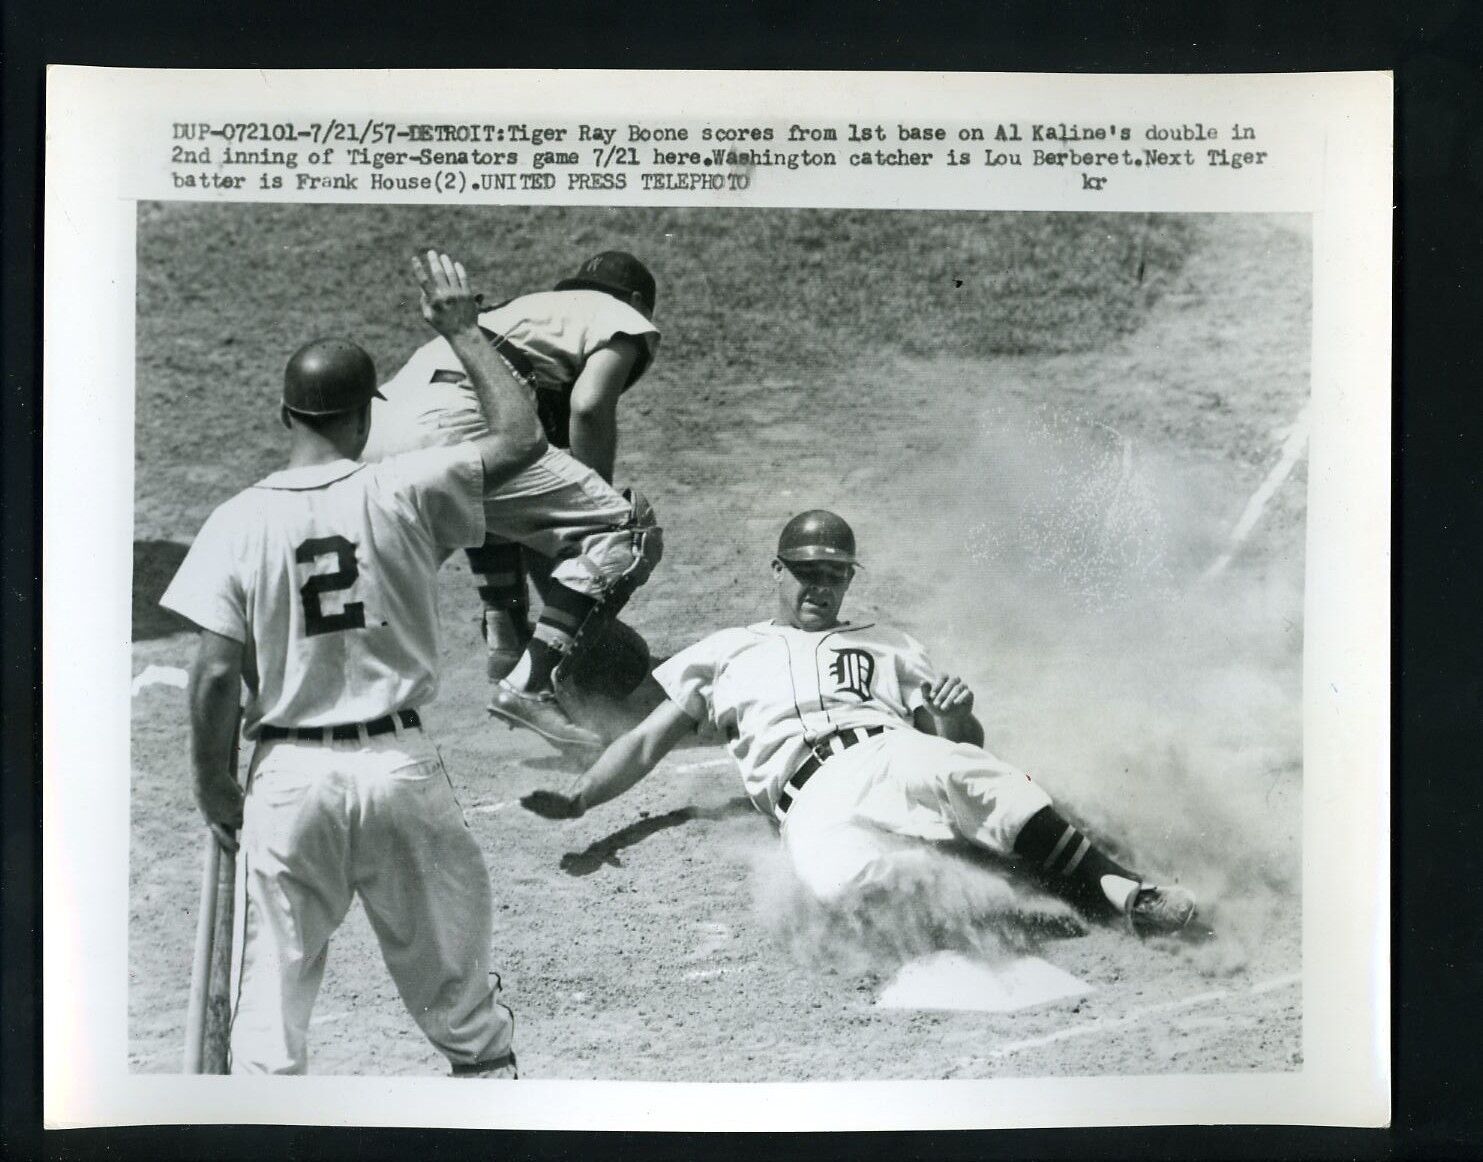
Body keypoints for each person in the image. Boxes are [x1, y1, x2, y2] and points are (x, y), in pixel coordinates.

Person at [160, 251, 545, 1076]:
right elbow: (522, 436)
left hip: (288, 780)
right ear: (365, 419)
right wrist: (462, 333)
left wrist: (213, 785)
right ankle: (494, 1109)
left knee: (270, 1007)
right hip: (398, 772)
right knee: (457, 995)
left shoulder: (235, 519)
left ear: (284, 414)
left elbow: (215, 675)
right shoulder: (404, 488)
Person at [521, 510, 1197, 938]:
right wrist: (581, 799)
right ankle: (1023, 901)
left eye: (834, 575)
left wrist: (958, 718)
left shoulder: (890, 642)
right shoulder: (725, 650)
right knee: (847, 891)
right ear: (777, 570)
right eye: (806, 572)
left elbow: (951, 750)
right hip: (807, 798)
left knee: (980, 780)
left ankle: (1123, 893)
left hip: (890, 750)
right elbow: (642, 741)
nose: (820, 586)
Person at [362, 250, 662, 743]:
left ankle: (507, 636)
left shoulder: (526, 311)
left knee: (496, 499)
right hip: (454, 418)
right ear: (635, 300)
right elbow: (588, 408)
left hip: (382, 424)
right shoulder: (623, 317)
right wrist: (594, 504)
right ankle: (530, 686)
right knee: (626, 528)